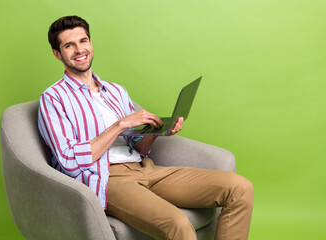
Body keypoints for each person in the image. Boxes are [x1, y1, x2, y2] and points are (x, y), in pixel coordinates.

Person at [38, 15, 253, 240]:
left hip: (145, 168)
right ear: (57, 53)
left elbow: (138, 148)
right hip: (108, 179)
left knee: (240, 188)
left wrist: (158, 132)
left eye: (83, 41)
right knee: (178, 223)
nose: (79, 49)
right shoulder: (53, 99)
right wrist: (120, 125)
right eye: (69, 45)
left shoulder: (115, 91)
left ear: (90, 44)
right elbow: (68, 162)